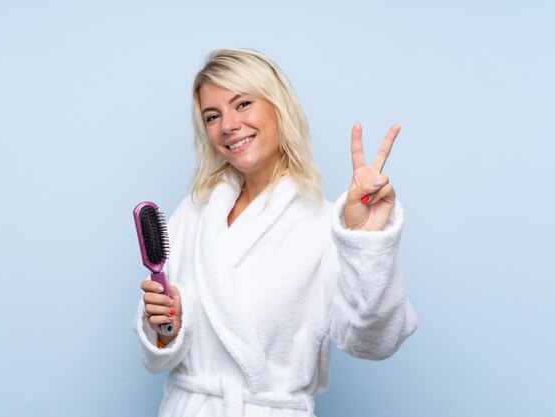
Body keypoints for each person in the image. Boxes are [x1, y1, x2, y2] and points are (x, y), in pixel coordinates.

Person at [134, 48, 418, 417]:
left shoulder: (323, 225)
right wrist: (165, 330)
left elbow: (374, 342)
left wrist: (366, 242)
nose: (228, 125)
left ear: (278, 107)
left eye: (243, 104)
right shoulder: (192, 213)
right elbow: (157, 358)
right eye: (212, 116)